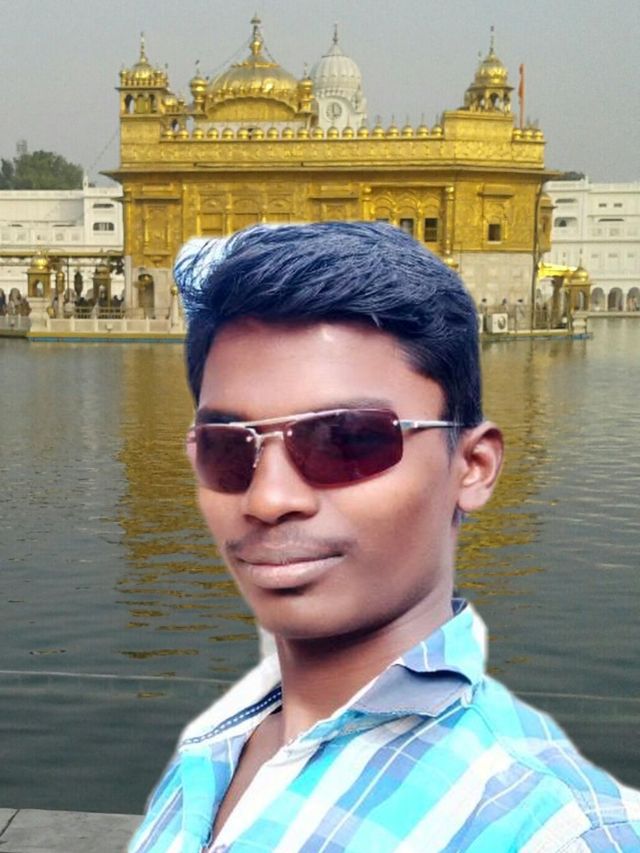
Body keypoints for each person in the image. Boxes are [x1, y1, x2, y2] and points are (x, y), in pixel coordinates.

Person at [129, 222, 640, 853]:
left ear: (472, 466)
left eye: (346, 440)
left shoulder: (552, 830)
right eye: (228, 448)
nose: (268, 499)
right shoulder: (216, 755)